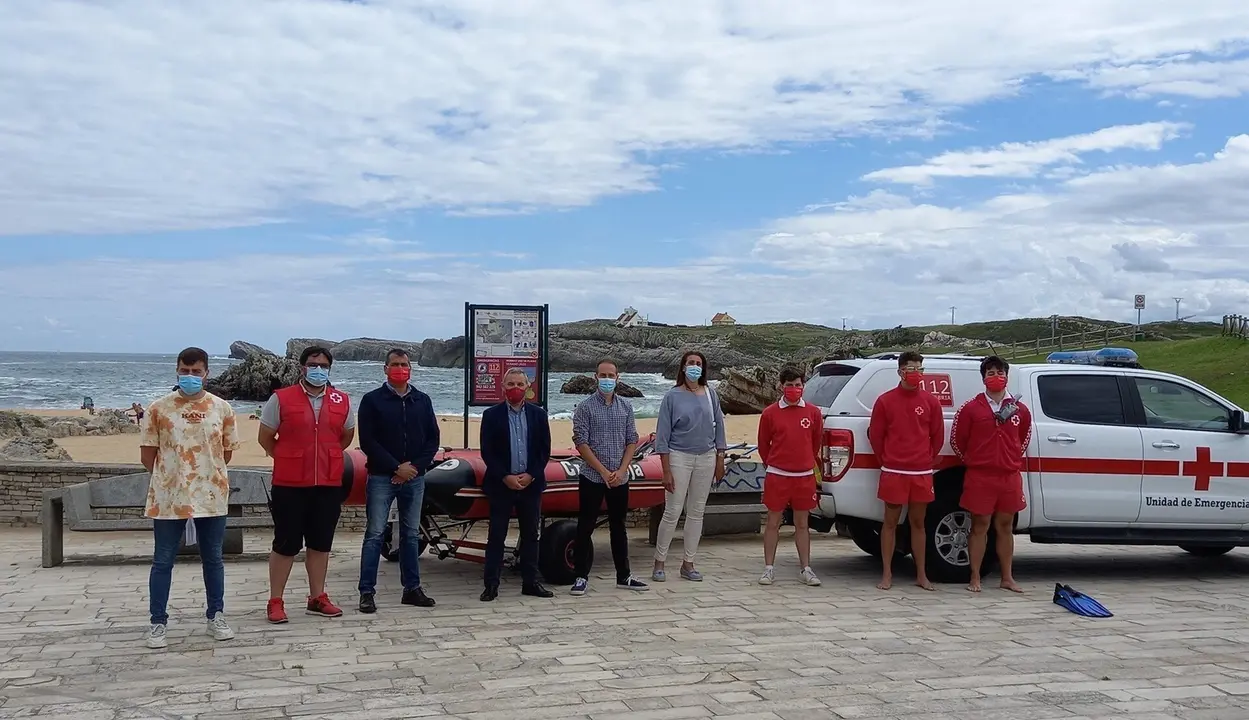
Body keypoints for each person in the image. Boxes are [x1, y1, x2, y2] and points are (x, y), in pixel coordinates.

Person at [138, 346, 240, 649]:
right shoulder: (159, 409)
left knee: (214, 559)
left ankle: (215, 616)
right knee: (163, 560)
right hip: (169, 496)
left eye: (197, 371)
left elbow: (228, 451)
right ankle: (158, 622)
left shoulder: (222, 408)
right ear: (177, 370)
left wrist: (204, 475)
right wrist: (175, 475)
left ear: (206, 373)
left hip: (211, 495)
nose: (191, 376)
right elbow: (148, 455)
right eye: (185, 370)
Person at [257, 346, 356, 623]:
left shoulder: (342, 400)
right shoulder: (281, 399)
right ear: (303, 368)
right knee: (286, 543)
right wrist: (288, 458)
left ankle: (317, 597)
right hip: (289, 484)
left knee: (321, 543)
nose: (319, 369)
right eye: (314, 364)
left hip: (327, 482)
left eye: (324, 365)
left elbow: (345, 437)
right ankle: (275, 600)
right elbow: (266, 437)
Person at [356, 348, 440, 612]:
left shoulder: (422, 400)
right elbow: (368, 441)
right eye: (395, 364)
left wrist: (414, 467)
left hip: (415, 478)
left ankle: (412, 589)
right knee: (375, 534)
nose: (400, 368)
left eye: (404, 364)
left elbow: (432, 439)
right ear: (385, 368)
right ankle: (367, 592)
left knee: (411, 535)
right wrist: (395, 467)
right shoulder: (371, 401)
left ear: (410, 369)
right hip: (382, 476)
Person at [951, 355, 1033, 594]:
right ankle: (975, 576)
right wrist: (975, 461)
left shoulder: (1020, 409)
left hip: (1008, 476)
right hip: (980, 476)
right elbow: (958, 441)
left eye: (1000, 372)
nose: (996, 377)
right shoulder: (971, 408)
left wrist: (1010, 459)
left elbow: (1024, 438)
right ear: (983, 378)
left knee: (1006, 525)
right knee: (980, 524)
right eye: (990, 373)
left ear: (1007, 376)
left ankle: (1007, 577)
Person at [569, 358, 648, 595]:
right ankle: (581, 576)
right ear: (595, 377)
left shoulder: (625, 406)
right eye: (602, 376)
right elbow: (581, 442)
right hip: (592, 477)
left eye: (610, 376)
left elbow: (631, 440)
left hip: (620, 477)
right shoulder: (584, 407)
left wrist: (622, 470)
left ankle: (624, 576)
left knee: (619, 527)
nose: (606, 380)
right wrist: (603, 471)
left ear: (618, 377)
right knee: (586, 527)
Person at [866, 351, 944, 591]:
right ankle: (887, 574)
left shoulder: (931, 401)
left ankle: (921, 574)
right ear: (900, 371)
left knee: (918, 523)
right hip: (893, 470)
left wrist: (924, 461)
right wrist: (887, 460)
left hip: (920, 472)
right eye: (911, 369)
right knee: (890, 523)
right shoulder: (885, 401)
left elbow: (937, 437)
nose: (916, 373)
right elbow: (876, 436)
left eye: (920, 369)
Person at [651, 350, 727, 582]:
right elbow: (662, 435)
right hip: (678, 457)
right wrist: (665, 470)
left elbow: (719, 427)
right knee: (673, 511)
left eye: (698, 363)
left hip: (706, 457)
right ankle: (659, 562)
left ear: (703, 369)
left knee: (696, 512)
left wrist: (720, 458)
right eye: (690, 363)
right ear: (683, 367)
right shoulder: (672, 396)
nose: (694, 366)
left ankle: (688, 563)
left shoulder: (710, 394)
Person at [479, 368, 554, 601]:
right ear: (502, 387)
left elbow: (544, 450)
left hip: (531, 484)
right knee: (496, 536)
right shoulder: (491, 415)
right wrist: (505, 476)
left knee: (531, 535)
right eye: (510, 384)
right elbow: (487, 452)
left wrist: (531, 474)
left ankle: (530, 582)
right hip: (501, 484)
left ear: (527, 386)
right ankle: (491, 585)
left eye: (520, 384)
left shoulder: (539, 415)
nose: (515, 389)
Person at [756, 366, 823, 587]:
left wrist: (804, 463)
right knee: (773, 522)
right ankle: (768, 569)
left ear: (803, 386)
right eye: (789, 385)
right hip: (778, 475)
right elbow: (763, 445)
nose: (794, 389)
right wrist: (776, 465)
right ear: (781, 386)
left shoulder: (812, 412)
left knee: (802, 523)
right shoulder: (769, 413)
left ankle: (806, 568)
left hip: (804, 476)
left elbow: (815, 443)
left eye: (797, 385)